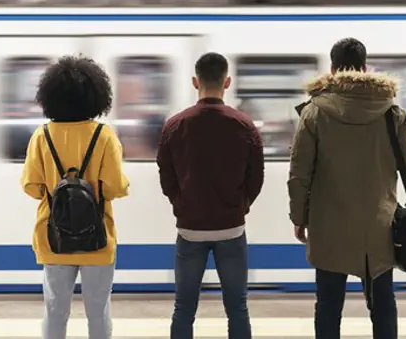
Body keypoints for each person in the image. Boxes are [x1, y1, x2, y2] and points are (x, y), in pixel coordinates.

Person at [288, 38, 406, 339]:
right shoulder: (392, 113)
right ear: (364, 68)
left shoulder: (314, 113)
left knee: (328, 306)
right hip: (379, 226)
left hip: (329, 226)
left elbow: (299, 174)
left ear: (333, 69)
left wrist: (300, 217)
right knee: (383, 304)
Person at [21, 55, 130, 339]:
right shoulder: (104, 136)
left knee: (55, 310)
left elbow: (31, 187)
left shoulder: (41, 136)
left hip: (53, 237)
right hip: (97, 237)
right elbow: (116, 187)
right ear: (96, 96)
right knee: (99, 311)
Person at [157, 52, 265, 339]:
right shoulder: (244, 125)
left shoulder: (174, 125)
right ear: (227, 82)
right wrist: (240, 206)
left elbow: (166, 175)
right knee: (237, 307)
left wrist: (180, 203)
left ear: (195, 82)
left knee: (184, 308)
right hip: (231, 229)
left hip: (190, 230)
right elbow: (256, 178)